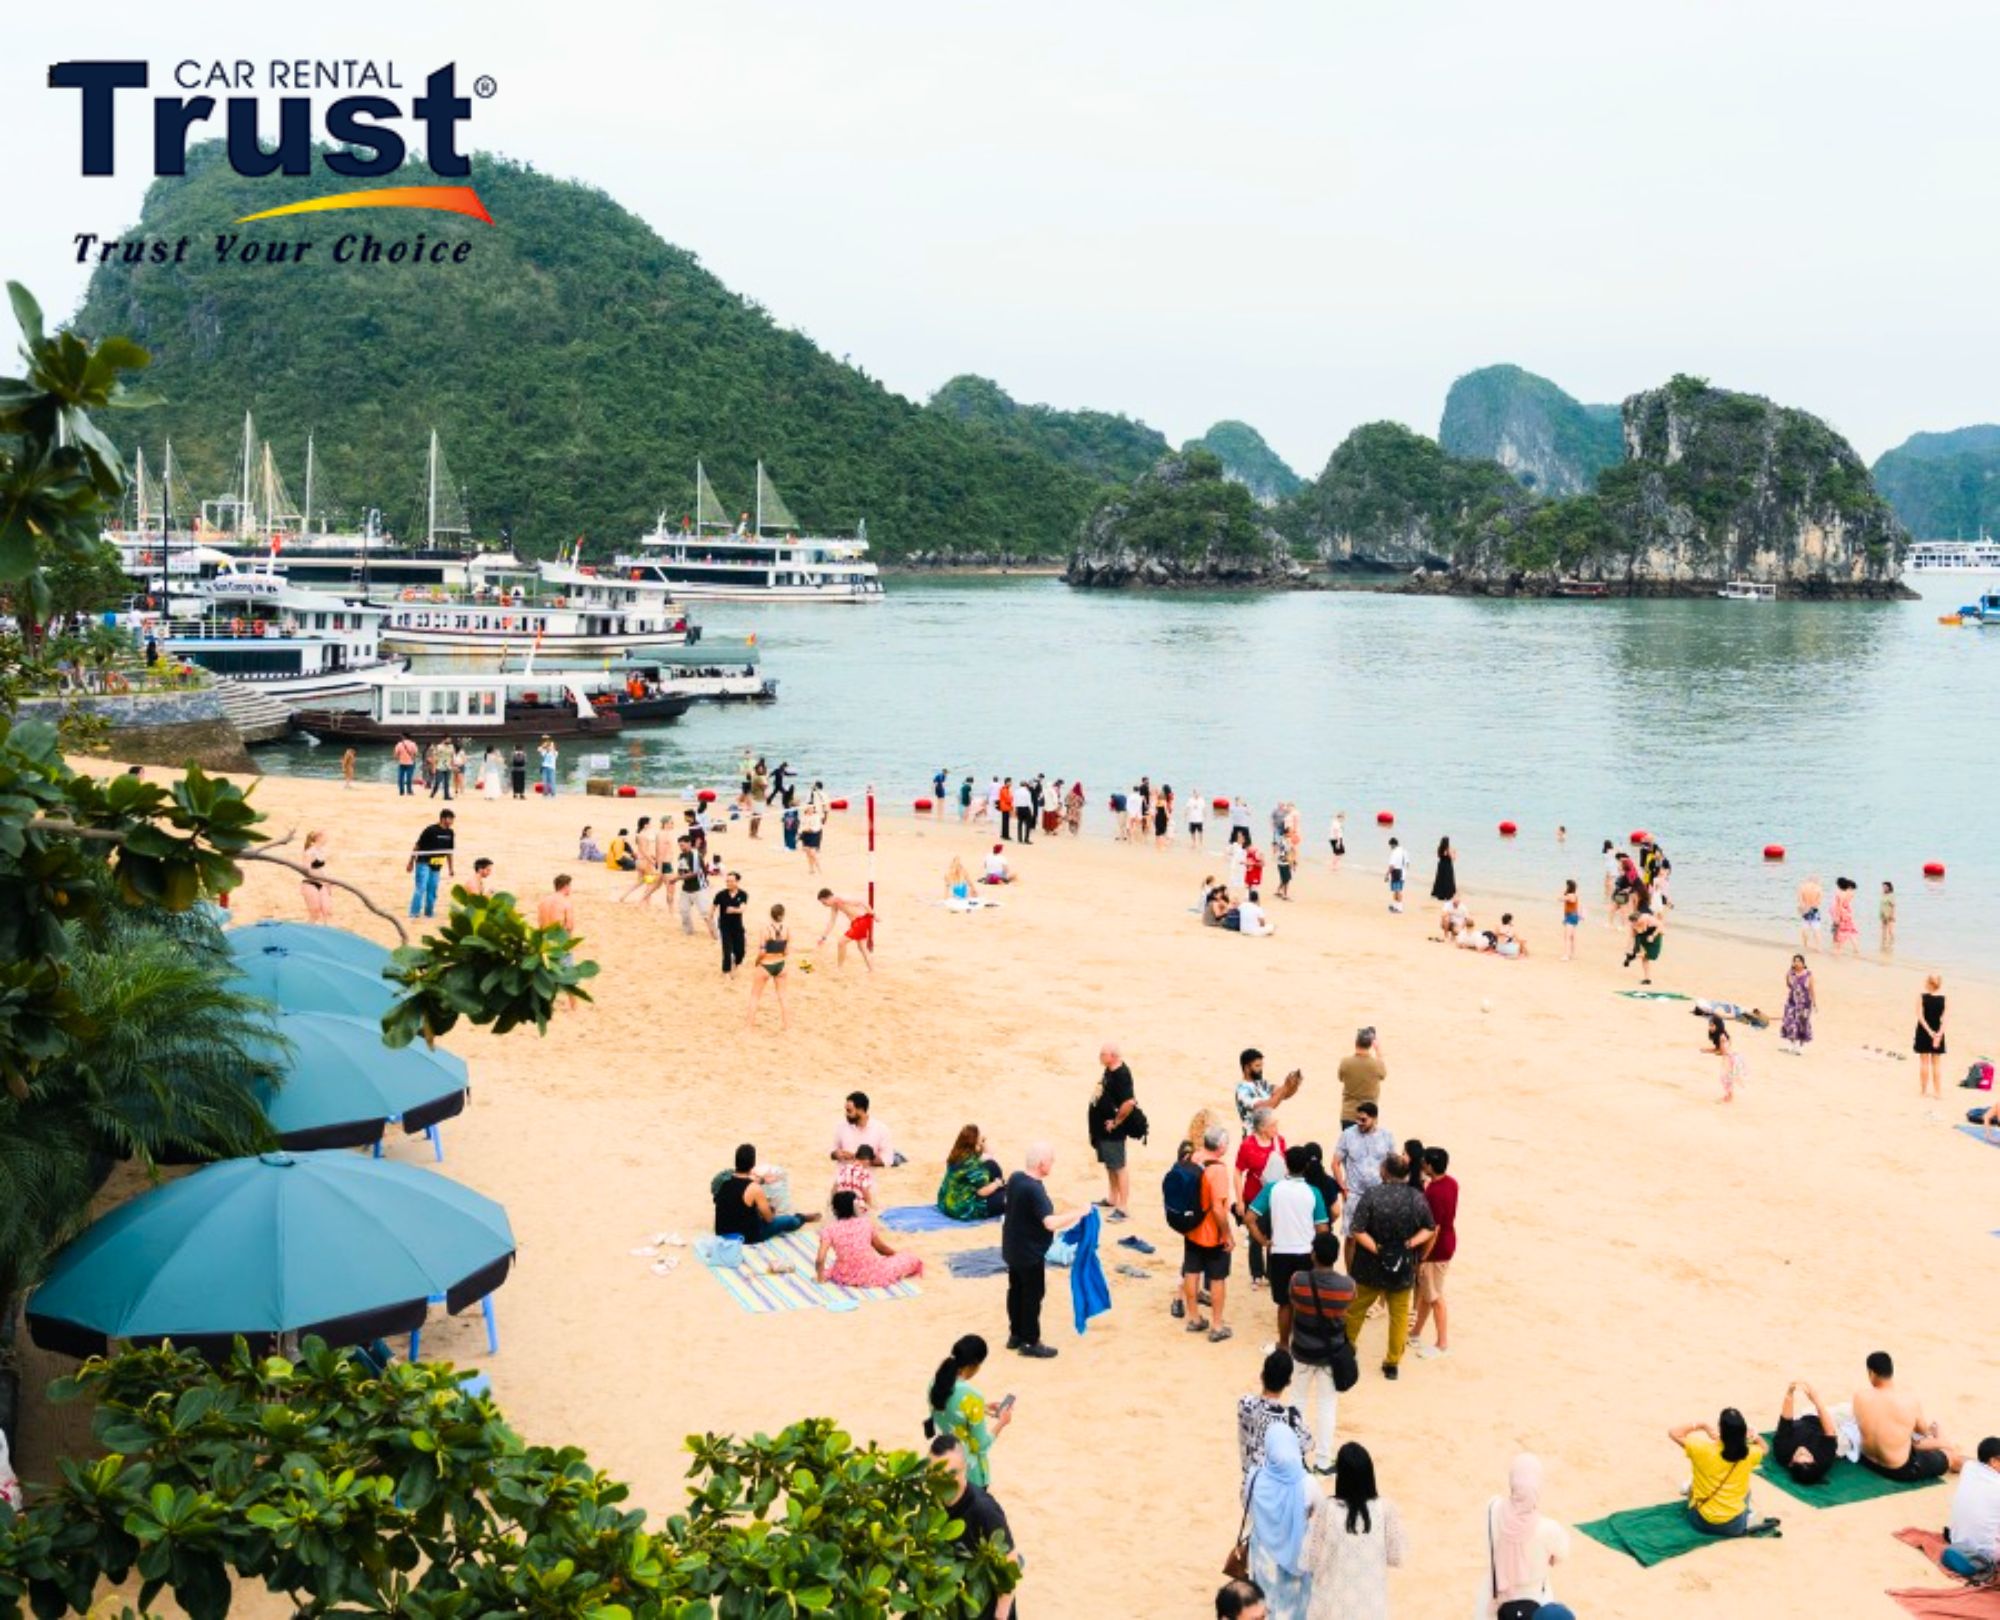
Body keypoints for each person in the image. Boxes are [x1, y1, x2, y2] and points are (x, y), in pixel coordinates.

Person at [1344, 1154, 1434, 1380]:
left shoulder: (1372, 1195)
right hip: (1402, 1265)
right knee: (1399, 1316)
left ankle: (1348, 1349)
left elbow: (1357, 1229)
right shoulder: (1416, 1197)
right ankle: (1392, 1362)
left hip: (1369, 1266)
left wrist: (1378, 1249)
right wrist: (1409, 1244)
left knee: (1355, 1310)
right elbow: (1429, 1228)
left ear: (1384, 1172)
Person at [1299, 1440, 1406, 1620]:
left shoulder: (1327, 1509)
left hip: (1331, 1606)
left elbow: (1308, 1561)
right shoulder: (1386, 1509)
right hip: (1371, 1607)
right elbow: (1397, 1557)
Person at [1001, 1142, 1086, 1358]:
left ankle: (1016, 1334)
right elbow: (1049, 1223)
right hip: (1029, 1253)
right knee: (1032, 1295)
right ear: (1041, 1164)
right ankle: (1030, 1341)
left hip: (1013, 1247)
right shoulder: (1034, 1189)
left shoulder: (1016, 1178)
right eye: (1051, 1161)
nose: (1053, 1164)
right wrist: (1079, 1213)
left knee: (1016, 1291)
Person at [1247, 1146, 1331, 1348]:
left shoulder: (1272, 1188)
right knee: (1306, 1303)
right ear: (1306, 1167)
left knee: (1284, 1303)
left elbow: (1249, 1218)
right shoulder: (1313, 1192)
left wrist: (1263, 1241)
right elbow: (1322, 1229)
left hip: (1280, 1252)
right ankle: (1304, 1342)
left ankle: (1284, 1343)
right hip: (1305, 1253)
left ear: (1286, 1164)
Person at [931, 1433, 1021, 1620]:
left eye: (952, 1473)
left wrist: (1001, 1614)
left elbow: (1010, 1558)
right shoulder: (934, 1502)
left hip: (987, 1607)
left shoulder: (984, 1509)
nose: (945, 1480)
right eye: (937, 1473)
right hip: (957, 1602)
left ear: (965, 1468)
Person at [1286, 1232, 1355, 1474]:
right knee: (1327, 1406)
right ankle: (1323, 1460)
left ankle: (1295, 1455)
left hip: (1303, 1350)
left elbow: (1292, 1301)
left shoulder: (1298, 1280)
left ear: (1313, 1254)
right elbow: (1348, 1307)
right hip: (1330, 1354)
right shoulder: (1347, 1286)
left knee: (1297, 1401)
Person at [1241, 1423, 1318, 1620]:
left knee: (1265, 1600)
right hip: (1297, 1552)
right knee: (1297, 1604)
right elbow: (1318, 1511)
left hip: (1263, 1554)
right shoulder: (1307, 1482)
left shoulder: (1255, 1476)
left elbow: (1247, 1504)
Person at [1480, 1454, 1568, 1619]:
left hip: (1494, 1602)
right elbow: (1559, 1557)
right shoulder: (1550, 1529)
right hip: (1536, 1603)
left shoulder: (1492, 1509)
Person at [1854, 1350, 1963, 1479]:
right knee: (1952, 1456)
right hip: (1898, 1469)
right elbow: (1923, 1432)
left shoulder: (1859, 1396)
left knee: (1906, 1437)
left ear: (1871, 1373)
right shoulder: (1909, 1401)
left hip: (1868, 1461)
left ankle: (1943, 1441)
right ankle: (1946, 1444)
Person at [1668, 1408, 1774, 1536]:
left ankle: (1690, 1488)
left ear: (1720, 1429)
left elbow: (1674, 1433)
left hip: (1700, 1521)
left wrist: (1702, 1425)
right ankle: (1748, 1516)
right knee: (1746, 1491)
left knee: (1697, 1482)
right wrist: (1755, 1437)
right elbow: (1765, 1449)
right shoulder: (1749, 1454)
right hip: (1734, 1526)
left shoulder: (1702, 1449)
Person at [928, 1334, 1012, 1487]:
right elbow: (980, 1445)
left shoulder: (936, 1383)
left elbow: (948, 1409)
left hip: (941, 1460)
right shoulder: (973, 1396)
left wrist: (982, 1408)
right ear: (975, 1365)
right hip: (968, 1471)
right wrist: (1002, 1422)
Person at [1181, 1124, 1237, 1344]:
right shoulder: (1218, 1169)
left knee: (1191, 1271)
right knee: (1217, 1278)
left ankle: (1194, 1317)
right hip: (1211, 1232)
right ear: (1221, 1146)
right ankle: (1217, 1324)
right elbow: (1218, 1208)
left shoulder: (1193, 1157)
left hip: (1191, 1227)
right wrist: (1227, 1234)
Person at [814, 1190, 922, 1286]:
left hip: (844, 1275)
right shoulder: (865, 1223)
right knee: (910, 1258)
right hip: (870, 1273)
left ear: (835, 1210)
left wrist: (820, 1278)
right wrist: (896, 1255)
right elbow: (881, 1248)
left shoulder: (829, 1229)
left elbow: (820, 1259)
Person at [713, 1143, 816, 1243]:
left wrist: (762, 1181)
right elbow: (769, 1219)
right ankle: (800, 1218)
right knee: (787, 1221)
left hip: (722, 1231)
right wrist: (770, 1212)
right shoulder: (754, 1188)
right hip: (747, 1236)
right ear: (752, 1164)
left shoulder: (724, 1180)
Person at [1240, 1348, 1314, 1481]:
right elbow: (1308, 1445)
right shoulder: (1292, 1418)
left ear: (1262, 1375)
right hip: (1276, 1490)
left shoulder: (1244, 1404)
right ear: (1288, 1383)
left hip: (1249, 1486)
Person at [1409, 1146, 1456, 1357]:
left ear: (1429, 1165)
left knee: (1435, 1297)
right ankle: (1416, 1332)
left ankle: (1442, 1343)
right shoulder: (1451, 1183)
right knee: (1428, 1294)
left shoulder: (1435, 1193)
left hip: (1436, 1249)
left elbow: (1433, 1230)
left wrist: (1423, 1257)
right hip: (1448, 1241)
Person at [1235, 1106, 1290, 1286]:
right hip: (1254, 1195)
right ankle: (1256, 1273)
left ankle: (1272, 1273)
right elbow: (1238, 1172)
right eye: (1273, 1125)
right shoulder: (1248, 1145)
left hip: (1275, 1196)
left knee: (1275, 1233)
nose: (1276, 1128)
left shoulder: (1280, 1142)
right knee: (1255, 1234)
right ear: (1262, 1128)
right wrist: (1240, 1200)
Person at [1089, 1044, 1138, 1220]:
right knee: (1111, 1164)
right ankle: (1112, 1198)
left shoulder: (1122, 1075)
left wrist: (1116, 1122)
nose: (1099, 1056)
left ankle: (1123, 1207)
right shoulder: (1110, 1070)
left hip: (1113, 1130)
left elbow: (1129, 1103)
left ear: (1113, 1056)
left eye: (1103, 1054)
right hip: (1103, 1129)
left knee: (1119, 1166)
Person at [1334, 1105, 1391, 1253]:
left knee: (1377, 1234)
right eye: (1357, 1119)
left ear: (1374, 1119)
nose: (1359, 1122)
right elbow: (1335, 1163)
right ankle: (1350, 1275)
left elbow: (1392, 1163)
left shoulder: (1386, 1136)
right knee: (1351, 1236)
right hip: (1354, 1194)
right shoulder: (1348, 1135)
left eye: (1363, 1120)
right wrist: (1343, 1188)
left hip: (1379, 1194)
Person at [1771, 1379, 1838, 1486]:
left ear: (1791, 1462)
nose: (1803, 1450)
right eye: (1807, 1455)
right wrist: (1816, 1400)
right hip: (1830, 1425)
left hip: (1804, 1420)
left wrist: (1789, 1393)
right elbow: (1830, 1431)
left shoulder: (1782, 1451)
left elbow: (1786, 1420)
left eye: (1799, 1454)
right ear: (1814, 1461)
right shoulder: (1824, 1460)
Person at [1945, 1437, 2000, 1566]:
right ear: (1993, 1461)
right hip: (1984, 1553)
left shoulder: (1969, 1468)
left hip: (1956, 1539)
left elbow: (1961, 1460)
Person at [939, 1125, 1008, 1220]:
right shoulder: (972, 1164)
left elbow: (989, 1156)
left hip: (946, 1202)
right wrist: (997, 1183)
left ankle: (1000, 1188)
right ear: (974, 1141)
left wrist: (983, 1143)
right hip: (963, 1209)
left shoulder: (957, 1154)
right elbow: (981, 1192)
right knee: (1009, 1197)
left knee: (991, 1165)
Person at [1237, 1048, 1305, 1130]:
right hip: (1252, 1138)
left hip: (1267, 1135)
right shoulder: (1242, 1090)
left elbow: (1284, 1094)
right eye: (1257, 1066)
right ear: (1247, 1068)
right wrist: (1286, 1086)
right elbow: (1263, 1108)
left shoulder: (1263, 1084)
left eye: (1261, 1065)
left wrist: (1294, 1084)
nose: (1261, 1069)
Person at [746, 903, 790, 1030]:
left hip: (766, 965)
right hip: (781, 965)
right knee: (783, 997)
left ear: (771, 915)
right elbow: (787, 951)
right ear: (782, 915)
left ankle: (748, 1027)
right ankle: (786, 1026)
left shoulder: (765, 929)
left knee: (755, 997)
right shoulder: (787, 929)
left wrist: (757, 961)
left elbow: (762, 951)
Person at [406, 809, 455, 919]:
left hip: (437, 865)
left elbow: (449, 852)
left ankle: (429, 912)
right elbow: (417, 846)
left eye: (452, 819)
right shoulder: (430, 830)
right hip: (423, 862)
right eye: (450, 819)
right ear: (443, 818)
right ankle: (414, 913)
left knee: (432, 889)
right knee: (421, 887)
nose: (452, 822)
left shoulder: (450, 833)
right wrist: (411, 862)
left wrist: (451, 868)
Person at [815, 889, 875, 971]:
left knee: (841, 943)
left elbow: (862, 901)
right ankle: (872, 970)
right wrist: (823, 937)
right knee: (862, 948)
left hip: (861, 921)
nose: (824, 905)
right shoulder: (834, 905)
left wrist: (873, 915)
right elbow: (832, 922)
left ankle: (839, 969)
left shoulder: (841, 899)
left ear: (828, 898)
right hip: (857, 923)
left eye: (824, 903)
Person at [1336, 1030, 1386, 1129]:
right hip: (1369, 1116)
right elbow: (1383, 1075)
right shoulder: (1376, 1064)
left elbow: (1341, 1078)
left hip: (1349, 1113)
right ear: (1371, 1045)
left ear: (1356, 1042)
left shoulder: (1345, 1062)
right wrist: (1378, 1051)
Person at [832, 1091, 893, 1165]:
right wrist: (836, 1154)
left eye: (849, 1111)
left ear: (861, 1109)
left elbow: (887, 1159)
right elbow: (832, 1152)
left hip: (868, 1175)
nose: (846, 1114)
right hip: (843, 1175)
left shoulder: (881, 1129)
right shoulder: (841, 1127)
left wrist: (867, 1160)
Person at [675, 837, 716, 938]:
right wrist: (680, 875)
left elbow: (695, 873)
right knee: (683, 911)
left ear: (689, 843)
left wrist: (677, 878)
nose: (681, 847)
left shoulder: (695, 855)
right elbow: (681, 870)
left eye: (682, 845)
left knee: (705, 913)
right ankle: (688, 932)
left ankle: (716, 933)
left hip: (699, 888)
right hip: (687, 888)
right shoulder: (681, 856)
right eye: (680, 845)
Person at [1915, 973, 1947, 1099]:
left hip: (1923, 1031)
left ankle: (1923, 1091)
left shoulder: (1922, 997)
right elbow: (1945, 1019)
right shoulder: (1945, 999)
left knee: (1924, 1063)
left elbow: (1920, 1016)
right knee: (1936, 1064)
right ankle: (1937, 1093)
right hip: (1938, 1032)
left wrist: (1929, 1031)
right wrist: (1939, 1033)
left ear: (1928, 983)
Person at [1703, 1014, 1746, 1103]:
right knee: (1727, 1077)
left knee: (1725, 1078)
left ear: (1718, 1026)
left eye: (1712, 1025)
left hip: (1729, 1059)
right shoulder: (1721, 1035)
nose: (1710, 1027)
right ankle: (1729, 1095)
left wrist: (1710, 1051)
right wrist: (1708, 1050)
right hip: (1730, 1057)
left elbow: (1721, 1052)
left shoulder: (1721, 1037)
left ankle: (1729, 1096)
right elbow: (1719, 1049)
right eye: (1709, 1025)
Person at [617, 817, 660, 904]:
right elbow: (644, 851)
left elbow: (642, 850)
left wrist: (652, 857)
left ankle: (624, 896)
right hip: (645, 861)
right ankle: (646, 901)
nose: (650, 825)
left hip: (639, 861)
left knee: (639, 882)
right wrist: (652, 861)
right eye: (649, 823)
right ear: (645, 825)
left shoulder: (639, 835)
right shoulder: (643, 836)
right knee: (650, 882)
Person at [714, 871, 749, 975]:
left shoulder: (743, 894)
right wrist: (711, 925)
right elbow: (713, 908)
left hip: (737, 926)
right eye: (727, 881)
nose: (728, 883)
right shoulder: (721, 894)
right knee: (727, 950)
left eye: (731, 881)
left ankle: (737, 963)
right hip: (724, 926)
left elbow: (743, 908)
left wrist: (734, 910)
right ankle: (726, 972)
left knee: (740, 951)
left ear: (737, 882)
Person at [1780, 953, 1815, 1055]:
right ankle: (1792, 1044)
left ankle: (1800, 1046)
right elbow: (1788, 985)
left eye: (1799, 961)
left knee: (1803, 1024)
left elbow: (1812, 989)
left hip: (1805, 1003)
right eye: (1795, 961)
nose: (1796, 963)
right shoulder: (1790, 973)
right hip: (1791, 1001)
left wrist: (1814, 1003)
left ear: (1803, 963)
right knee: (1789, 1022)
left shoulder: (1808, 974)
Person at [300, 829, 333, 923]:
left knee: (327, 911)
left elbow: (322, 869)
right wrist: (321, 878)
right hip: (310, 884)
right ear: (319, 838)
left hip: (322, 883)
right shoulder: (310, 853)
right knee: (315, 913)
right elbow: (306, 870)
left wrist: (327, 881)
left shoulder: (321, 851)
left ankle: (326, 933)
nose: (327, 838)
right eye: (325, 836)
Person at [1832, 876, 1861, 956]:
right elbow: (1845, 905)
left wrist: (1838, 917)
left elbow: (1839, 907)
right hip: (1848, 912)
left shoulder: (1840, 894)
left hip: (1843, 914)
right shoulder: (1850, 894)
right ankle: (1856, 949)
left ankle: (1838, 951)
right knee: (1851, 932)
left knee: (1841, 932)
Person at [1798, 874, 1824, 952]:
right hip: (1814, 910)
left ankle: (1805, 945)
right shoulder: (1818, 888)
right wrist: (1812, 906)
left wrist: (1804, 908)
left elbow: (1800, 901)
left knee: (1805, 928)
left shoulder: (1802, 887)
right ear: (1816, 880)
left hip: (1805, 909)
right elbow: (1819, 902)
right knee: (1816, 930)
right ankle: (1818, 947)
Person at [1431, 836, 1457, 904]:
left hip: (1441, 865)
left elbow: (1439, 856)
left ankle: (1440, 894)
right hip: (1447, 866)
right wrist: (1454, 853)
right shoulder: (1448, 849)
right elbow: (1453, 858)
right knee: (1448, 880)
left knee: (1440, 879)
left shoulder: (1439, 848)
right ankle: (1447, 895)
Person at [1559, 879, 1580, 960]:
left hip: (1570, 916)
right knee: (1572, 937)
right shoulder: (1574, 895)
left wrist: (1563, 891)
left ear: (1569, 887)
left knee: (1567, 937)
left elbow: (1559, 898)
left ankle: (1566, 955)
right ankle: (1571, 954)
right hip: (1574, 916)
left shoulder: (1570, 896)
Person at [1386, 838, 1408, 913]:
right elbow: (1407, 863)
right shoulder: (1404, 851)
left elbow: (1392, 865)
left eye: (1390, 846)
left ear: (1393, 844)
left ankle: (1399, 908)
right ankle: (1395, 906)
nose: (1390, 847)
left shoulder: (1394, 852)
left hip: (1396, 872)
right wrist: (1404, 870)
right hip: (1402, 872)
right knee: (1397, 890)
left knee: (1397, 890)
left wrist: (1387, 874)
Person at [1880, 880, 1898, 952]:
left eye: (1885, 887)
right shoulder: (1883, 894)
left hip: (1889, 914)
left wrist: (1893, 915)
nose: (1884, 888)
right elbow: (1882, 905)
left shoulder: (1891, 896)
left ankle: (1892, 943)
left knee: (1890, 930)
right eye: (1883, 887)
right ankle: (1883, 943)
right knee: (1883, 929)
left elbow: (1893, 906)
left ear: (1889, 887)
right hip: (1883, 914)